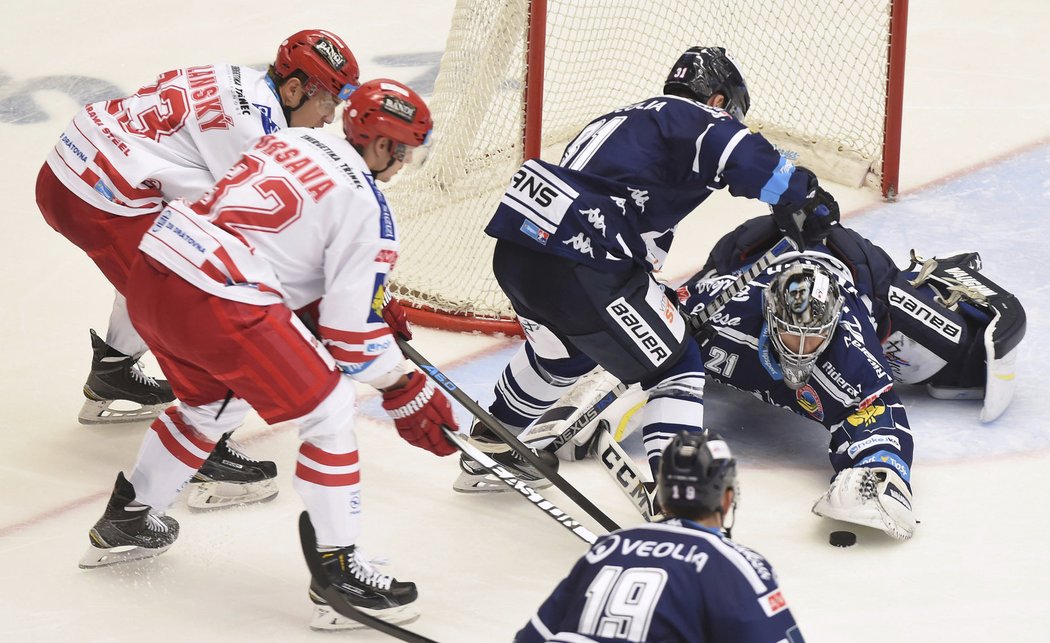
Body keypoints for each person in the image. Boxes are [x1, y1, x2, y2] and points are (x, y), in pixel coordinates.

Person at [78, 79, 458, 630]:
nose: (404, 165)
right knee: (329, 408)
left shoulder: (291, 140)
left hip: (158, 269)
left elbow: (266, 236)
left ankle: (128, 522)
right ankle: (340, 577)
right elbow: (350, 343)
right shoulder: (369, 209)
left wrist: (352, 301)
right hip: (221, 295)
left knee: (212, 409)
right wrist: (403, 387)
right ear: (383, 146)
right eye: (406, 151)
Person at [454, 46, 840, 493]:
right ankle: (683, 498)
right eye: (730, 112)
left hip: (520, 250)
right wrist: (804, 196)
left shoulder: (619, 120)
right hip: (583, 257)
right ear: (716, 99)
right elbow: (749, 158)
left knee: (563, 356)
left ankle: (490, 446)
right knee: (677, 366)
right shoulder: (694, 117)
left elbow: (630, 225)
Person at [35, 29, 360, 508]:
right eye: (328, 102)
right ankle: (207, 448)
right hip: (100, 198)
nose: (330, 118)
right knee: (190, 296)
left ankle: (114, 370)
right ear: (293, 90)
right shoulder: (254, 133)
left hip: (75, 171)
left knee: (158, 261)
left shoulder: (242, 83)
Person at [669, 215, 1026, 540]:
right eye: (794, 335)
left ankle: (935, 282)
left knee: (951, 362)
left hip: (855, 264)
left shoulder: (848, 347)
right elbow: (662, 312)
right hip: (750, 247)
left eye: (817, 335)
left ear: (835, 324)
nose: (804, 348)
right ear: (770, 318)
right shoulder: (720, 311)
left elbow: (880, 412)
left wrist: (875, 472)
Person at [515, 431, 803, 643]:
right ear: (727, 500)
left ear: (662, 499)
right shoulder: (735, 564)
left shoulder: (606, 548)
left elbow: (531, 638)